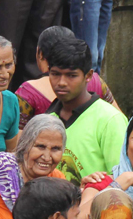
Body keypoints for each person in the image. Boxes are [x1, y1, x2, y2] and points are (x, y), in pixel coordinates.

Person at [47, 34, 126, 180]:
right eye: (55, 74)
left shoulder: (110, 120)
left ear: (88, 76)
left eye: (71, 75)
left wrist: (90, 189)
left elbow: (123, 178)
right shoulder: (47, 119)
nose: (62, 82)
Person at [0, 115, 68, 219]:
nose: (47, 157)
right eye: (40, 146)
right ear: (25, 144)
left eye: (55, 149)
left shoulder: (57, 181)